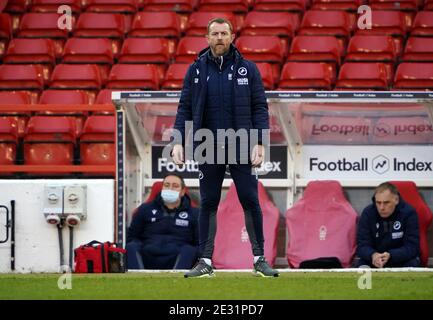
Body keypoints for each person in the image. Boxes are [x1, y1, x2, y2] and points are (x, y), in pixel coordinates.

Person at [171, 18, 279, 278]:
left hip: (242, 143)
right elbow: (184, 107)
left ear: (232, 37)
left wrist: (261, 142)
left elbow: (259, 107)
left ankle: (259, 259)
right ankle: (206, 261)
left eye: (224, 33)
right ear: (207, 38)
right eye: (214, 33)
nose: (219, 37)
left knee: (250, 201)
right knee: (208, 202)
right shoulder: (195, 71)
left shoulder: (248, 69)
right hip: (207, 144)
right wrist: (177, 141)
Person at [126, 174, 199, 269]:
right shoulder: (144, 209)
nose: (170, 189)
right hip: (147, 255)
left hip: (179, 257)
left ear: (182, 192)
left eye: (175, 186)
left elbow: (200, 244)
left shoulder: (195, 214)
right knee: (131, 246)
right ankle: (137, 280)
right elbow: (132, 237)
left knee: (190, 250)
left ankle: (177, 281)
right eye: (167, 185)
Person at [356, 182, 421, 268]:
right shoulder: (368, 213)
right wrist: (373, 255)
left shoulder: (409, 213)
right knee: (361, 266)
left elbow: (412, 247)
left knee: (413, 264)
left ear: (396, 200)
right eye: (378, 203)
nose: (381, 207)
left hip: (400, 259)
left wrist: (391, 255)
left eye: (386, 203)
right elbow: (362, 246)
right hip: (374, 260)